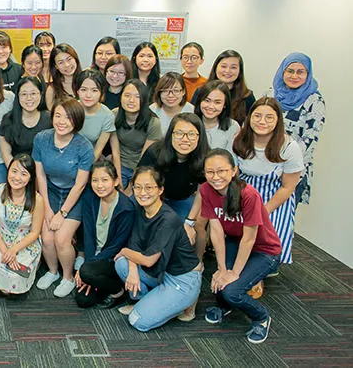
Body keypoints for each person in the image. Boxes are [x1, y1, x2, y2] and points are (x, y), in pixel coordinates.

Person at [200, 149, 282, 344]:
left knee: (231, 290)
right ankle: (224, 306)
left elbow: (249, 239)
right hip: (235, 242)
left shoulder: (248, 195)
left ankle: (261, 318)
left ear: (234, 171)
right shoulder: (205, 189)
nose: (216, 177)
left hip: (264, 251)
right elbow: (217, 231)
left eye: (222, 171)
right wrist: (221, 269)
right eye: (210, 172)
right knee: (219, 278)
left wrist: (233, 273)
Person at [114, 166, 202, 332]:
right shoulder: (140, 209)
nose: (142, 192)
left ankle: (185, 302)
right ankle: (151, 301)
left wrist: (125, 251)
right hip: (160, 271)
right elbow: (134, 244)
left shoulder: (168, 219)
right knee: (121, 264)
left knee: (137, 320)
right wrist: (132, 268)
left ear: (160, 189)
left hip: (181, 280)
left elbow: (148, 260)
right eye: (137, 187)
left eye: (149, 187)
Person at [33, 99, 94, 297]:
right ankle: (52, 272)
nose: (62, 121)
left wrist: (62, 213)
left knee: (61, 239)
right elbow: (40, 175)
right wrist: (48, 209)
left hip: (74, 195)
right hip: (49, 190)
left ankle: (67, 277)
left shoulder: (83, 146)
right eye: (58, 116)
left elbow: (80, 184)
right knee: (47, 237)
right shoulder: (41, 138)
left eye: (68, 118)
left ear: (77, 121)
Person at [233, 97, 303, 265]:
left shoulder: (289, 147)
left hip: (275, 196)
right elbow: (233, 175)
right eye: (257, 116)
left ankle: (264, 267)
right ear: (250, 118)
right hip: (245, 191)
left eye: (269, 117)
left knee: (268, 238)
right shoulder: (239, 140)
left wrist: (263, 210)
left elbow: (288, 187)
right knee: (240, 236)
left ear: (278, 120)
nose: (262, 121)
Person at [74, 160, 135, 309]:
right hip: (94, 257)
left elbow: (116, 246)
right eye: (95, 180)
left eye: (105, 180)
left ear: (115, 181)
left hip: (113, 259)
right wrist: (89, 264)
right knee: (83, 300)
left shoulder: (126, 208)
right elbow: (88, 234)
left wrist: (86, 269)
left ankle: (118, 291)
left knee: (87, 272)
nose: (99, 185)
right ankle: (96, 282)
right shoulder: (90, 198)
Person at [267, 52, 325, 205]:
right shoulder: (271, 94)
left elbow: (310, 138)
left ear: (308, 74)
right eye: (290, 71)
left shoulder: (314, 100)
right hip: (266, 165)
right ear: (283, 71)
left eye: (300, 72)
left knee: (283, 218)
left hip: (292, 169)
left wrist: (284, 159)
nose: (294, 76)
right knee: (262, 215)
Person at [0, 154, 44, 294]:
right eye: (14, 171)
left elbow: (35, 232)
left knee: (15, 277)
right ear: (8, 171)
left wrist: (14, 250)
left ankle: (35, 262)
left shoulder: (37, 199)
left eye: (24, 174)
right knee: (1, 273)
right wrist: (6, 251)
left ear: (30, 177)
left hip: (24, 242)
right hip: (1, 238)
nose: (17, 177)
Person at [138, 113, 209, 225]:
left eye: (191, 134)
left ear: (200, 137)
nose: (185, 139)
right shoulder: (155, 151)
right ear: (171, 135)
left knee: (180, 232)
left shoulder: (205, 158)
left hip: (182, 199)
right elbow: (140, 181)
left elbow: (202, 192)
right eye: (179, 133)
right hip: (152, 196)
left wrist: (190, 221)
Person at [111, 80, 161, 188]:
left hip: (143, 168)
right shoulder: (113, 115)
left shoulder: (153, 122)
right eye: (127, 95)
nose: (131, 100)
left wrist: (132, 184)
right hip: (120, 165)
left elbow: (145, 158)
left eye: (137, 97)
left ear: (143, 99)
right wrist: (118, 179)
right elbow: (116, 152)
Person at [0, 76, 52, 168]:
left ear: (41, 94)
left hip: (46, 171)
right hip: (17, 172)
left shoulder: (50, 119)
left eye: (33, 93)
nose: (29, 98)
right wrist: (19, 173)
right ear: (18, 96)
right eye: (24, 94)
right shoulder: (8, 119)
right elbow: (6, 154)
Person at [201, 50, 255, 124]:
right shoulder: (201, 91)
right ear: (215, 67)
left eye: (233, 67)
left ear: (240, 71)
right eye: (223, 66)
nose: (227, 71)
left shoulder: (247, 96)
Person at [74, 70, 115, 161]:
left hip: (89, 160)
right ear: (77, 91)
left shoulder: (107, 115)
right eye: (83, 90)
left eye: (94, 90)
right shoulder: (70, 109)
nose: (88, 95)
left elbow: (97, 151)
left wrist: (83, 169)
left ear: (101, 93)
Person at [194, 80, 240, 153]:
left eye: (217, 102)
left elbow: (232, 158)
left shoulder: (232, 126)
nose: (211, 106)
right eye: (207, 100)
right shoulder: (190, 123)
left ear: (225, 105)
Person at [46, 43, 82, 110]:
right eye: (61, 62)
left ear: (75, 58)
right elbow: (52, 116)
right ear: (56, 66)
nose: (67, 65)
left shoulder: (86, 81)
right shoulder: (52, 90)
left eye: (69, 59)